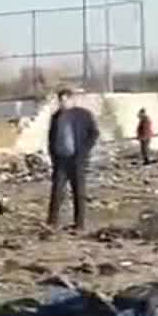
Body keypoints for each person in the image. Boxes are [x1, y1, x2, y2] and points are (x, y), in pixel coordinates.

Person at [46, 88, 99, 231]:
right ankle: (52, 222)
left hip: (77, 159)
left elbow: (94, 133)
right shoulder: (56, 117)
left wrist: (84, 150)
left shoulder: (83, 115)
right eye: (60, 100)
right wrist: (53, 154)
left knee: (79, 192)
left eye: (65, 100)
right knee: (57, 191)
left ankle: (79, 224)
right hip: (61, 160)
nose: (63, 103)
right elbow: (51, 137)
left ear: (71, 99)